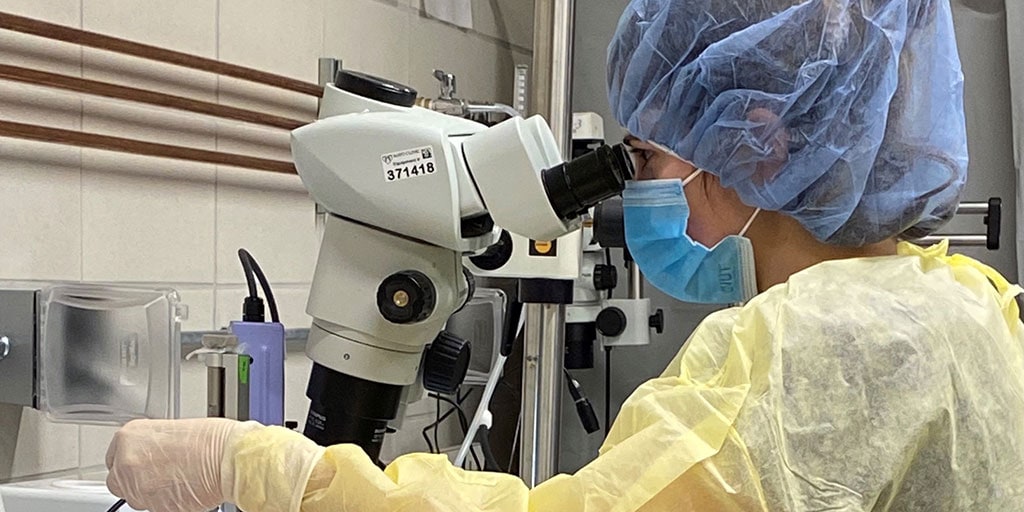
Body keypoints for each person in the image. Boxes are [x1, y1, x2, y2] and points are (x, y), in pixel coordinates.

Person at [105, 0, 1024, 510]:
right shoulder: (973, 306)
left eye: (652, 151)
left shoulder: (810, 353)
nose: (642, 189)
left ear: (759, 136)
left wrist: (260, 469)